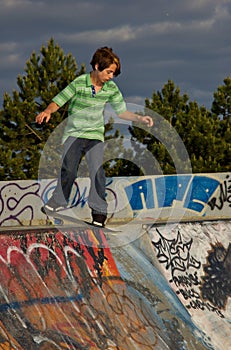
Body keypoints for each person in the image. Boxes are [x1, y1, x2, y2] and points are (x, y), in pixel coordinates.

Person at [36, 46, 153, 227]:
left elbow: (121, 112)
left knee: (98, 172)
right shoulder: (79, 82)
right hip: (74, 134)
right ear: (97, 67)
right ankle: (58, 201)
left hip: (95, 136)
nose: (111, 77)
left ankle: (99, 214)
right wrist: (47, 111)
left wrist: (139, 118)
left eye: (113, 74)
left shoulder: (111, 88)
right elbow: (59, 100)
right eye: (108, 72)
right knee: (70, 169)